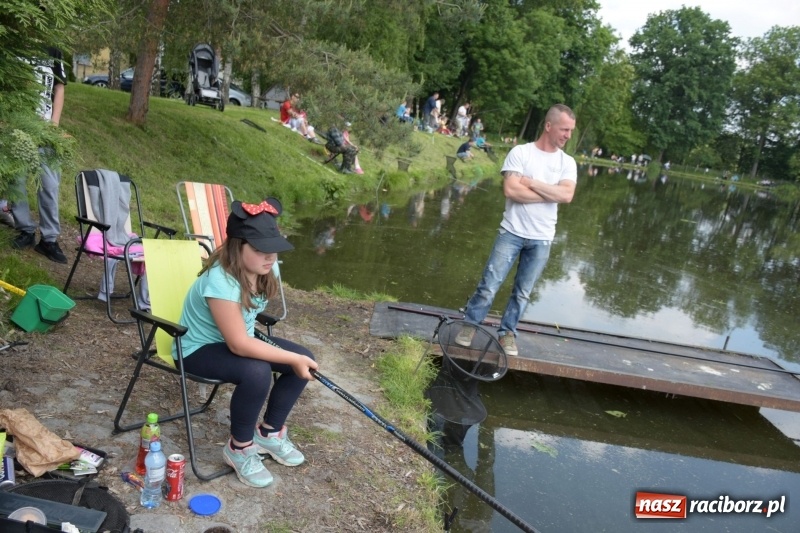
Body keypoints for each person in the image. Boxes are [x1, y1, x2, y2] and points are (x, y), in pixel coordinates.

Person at [176, 198, 318, 488]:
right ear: (236, 246)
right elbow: (240, 345)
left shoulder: (267, 269)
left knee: (303, 355)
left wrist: (293, 358)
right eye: (260, 249)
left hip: (235, 340)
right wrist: (287, 358)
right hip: (195, 349)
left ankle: (268, 433)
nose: (270, 257)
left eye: (274, 249)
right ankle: (239, 448)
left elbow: (245, 330)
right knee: (257, 371)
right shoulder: (221, 280)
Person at [455, 104, 577, 356]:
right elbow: (511, 190)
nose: (568, 135)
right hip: (511, 232)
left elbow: (566, 195)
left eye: (571, 131)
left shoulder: (568, 162)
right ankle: (470, 326)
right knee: (489, 285)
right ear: (548, 126)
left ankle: (507, 333)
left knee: (523, 292)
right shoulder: (520, 153)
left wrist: (531, 183)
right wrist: (549, 193)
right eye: (564, 129)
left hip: (542, 238)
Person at [10, 47, 68, 263]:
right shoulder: (17, 40)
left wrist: (54, 124)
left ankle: (49, 240)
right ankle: (25, 230)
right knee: (17, 180)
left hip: (46, 131)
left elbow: (60, 86)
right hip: (18, 127)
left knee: (50, 183)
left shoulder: (54, 48)